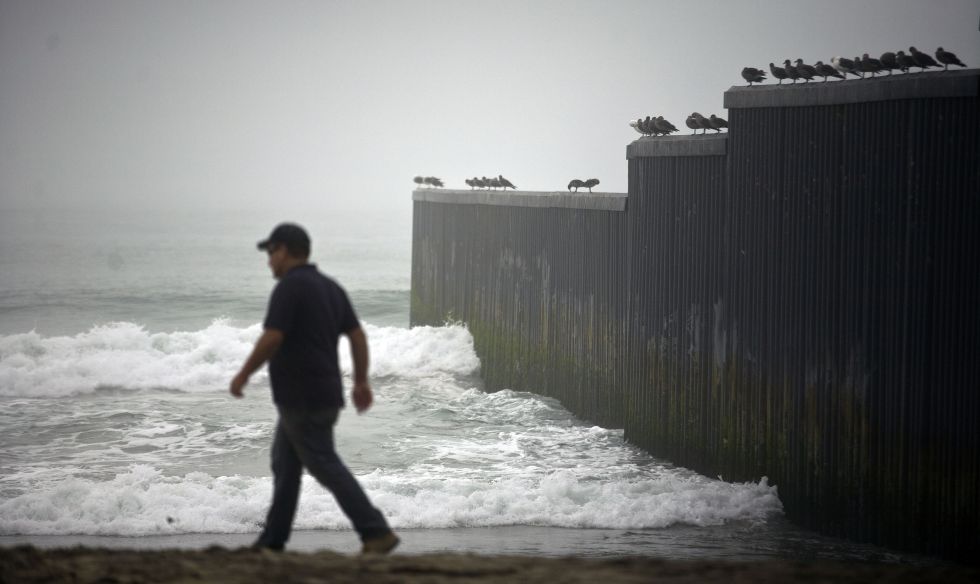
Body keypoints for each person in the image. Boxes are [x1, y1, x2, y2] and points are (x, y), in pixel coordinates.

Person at [229, 222, 399, 555]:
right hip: (321, 395)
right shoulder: (330, 287)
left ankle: (376, 531)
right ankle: (271, 542)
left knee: (322, 462)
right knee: (285, 463)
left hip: (301, 397)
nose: (268, 262)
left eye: (271, 252)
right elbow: (358, 335)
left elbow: (273, 336)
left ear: (285, 250)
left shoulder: (289, 288)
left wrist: (243, 374)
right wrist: (361, 380)